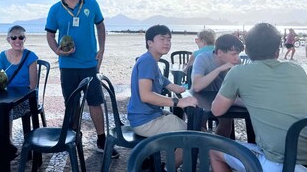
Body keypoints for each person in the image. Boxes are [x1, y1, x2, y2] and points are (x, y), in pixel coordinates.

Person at [210, 23, 307, 172]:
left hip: (280, 164)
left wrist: (238, 100)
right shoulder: (297, 69)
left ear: (247, 50)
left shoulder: (238, 72)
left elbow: (216, 110)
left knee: (214, 149)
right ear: (277, 51)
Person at [44, 0, 119, 157]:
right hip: (67, 65)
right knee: (72, 103)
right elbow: (50, 34)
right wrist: (57, 51)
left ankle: (101, 140)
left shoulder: (91, 4)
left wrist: (102, 49)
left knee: (95, 102)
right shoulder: (55, 9)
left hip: (88, 64)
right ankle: (74, 136)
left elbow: (100, 26)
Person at [127, 25, 198, 168]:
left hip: (147, 115)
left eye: (169, 39)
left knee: (188, 126)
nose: (167, 42)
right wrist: (178, 101)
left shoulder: (151, 60)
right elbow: (146, 96)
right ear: (150, 42)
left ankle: (167, 160)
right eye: (162, 39)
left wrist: (179, 88)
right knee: (194, 136)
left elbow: (163, 81)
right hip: (145, 121)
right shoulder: (147, 62)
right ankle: (168, 168)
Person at [0, 25, 38, 142]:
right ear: (8, 40)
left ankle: (6, 143)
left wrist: (18, 98)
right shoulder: (3, 56)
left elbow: (33, 86)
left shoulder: (30, 56)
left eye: (21, 37)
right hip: (7, 97)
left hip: (27, 98)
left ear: (25, 39)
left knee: (5, 110)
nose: (17, 40)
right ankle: (5, 142)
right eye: (13, 37)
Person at [191, 34, 244, 137]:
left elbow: (239, 88)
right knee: (199, 123)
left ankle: (218, 148)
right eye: (233, 54)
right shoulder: (202, 59)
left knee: (226, 122)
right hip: (201, 98)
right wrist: (220, 69)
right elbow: (197, 86)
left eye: (238, 54)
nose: (237, 58)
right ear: (219, 52)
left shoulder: (237, 63)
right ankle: (203, 148)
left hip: (221, 98)